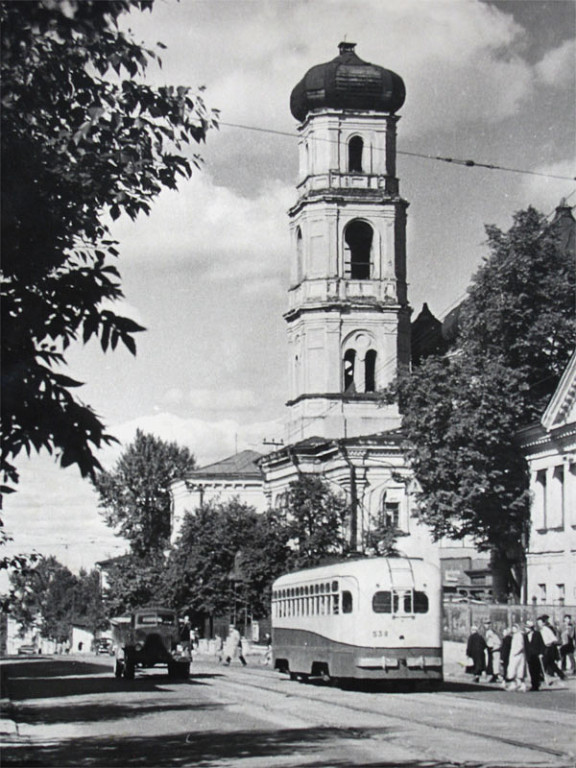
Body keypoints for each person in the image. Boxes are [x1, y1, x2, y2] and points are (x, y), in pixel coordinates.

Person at [538, 615, 565, 681]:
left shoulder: (546, 629)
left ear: (543, 623)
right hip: (545, 647)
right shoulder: (541, 630)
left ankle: (541, 676)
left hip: (548, 648)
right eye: (538, 622)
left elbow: (553, 639)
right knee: (551, 663)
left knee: (544, 662)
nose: (539, 624)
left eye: (540, 622)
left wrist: (549, 643)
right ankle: (561, 674)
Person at [524, 619, 545, 691]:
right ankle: (533, 684)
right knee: (531, 670)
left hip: (536, 655)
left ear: (531, 628)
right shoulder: (525, 636)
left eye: (527, 627)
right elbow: (525, 646)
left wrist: (541, 653)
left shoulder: (537, 634)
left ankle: (536, 684)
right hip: (529, 656)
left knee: (536, 670)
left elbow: (542, 644)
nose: (526, 629)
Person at [505, 624, 527, 691]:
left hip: (517, 656)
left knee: (515, 669)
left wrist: (515, 653)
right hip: (516, 656)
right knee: (516, 670)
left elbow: (520, 646)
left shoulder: (519, 635)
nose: (513, 629)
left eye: (514, 628)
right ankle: (517, 684)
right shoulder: (515, 636)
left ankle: (517, 684)